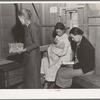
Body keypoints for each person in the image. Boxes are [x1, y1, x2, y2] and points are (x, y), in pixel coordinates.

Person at [41, 22, 72, 88]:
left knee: (51, 67)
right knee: (44, 60)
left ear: (63, 30)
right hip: (57, 56)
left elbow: (61, 52)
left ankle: (48, 82)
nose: (58, 32)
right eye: (57, 30)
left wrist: (51, 48)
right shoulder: (58, 37)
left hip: (63, 59)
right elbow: (53, 46)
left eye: (59, 31)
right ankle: (48, 80)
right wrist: (52, 47)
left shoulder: (65, 40)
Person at [17, 9, 41, 88]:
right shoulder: (27, 27)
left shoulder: (33, 26)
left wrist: (23, 50)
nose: (20, 21)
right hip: (29, 57)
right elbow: (29, 42)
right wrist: (22, 45)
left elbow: (37, 43)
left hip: (33, 58)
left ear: (23, 17)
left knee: (34, 81)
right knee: (29, 80)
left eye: (19, 19)